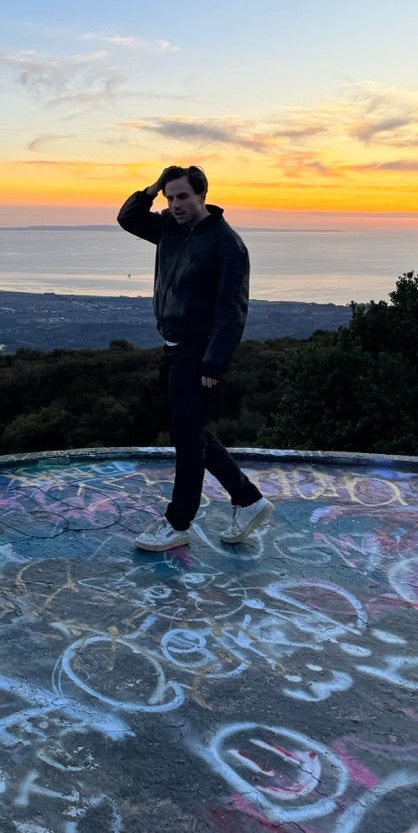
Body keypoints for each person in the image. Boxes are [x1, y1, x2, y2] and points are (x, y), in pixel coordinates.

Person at [117, 164, 273, 551]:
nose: (175, 204)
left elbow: (232, 309)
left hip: (198, 350)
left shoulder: (225, 244)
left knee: (187, 439)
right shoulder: (170, 227)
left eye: (182, 196)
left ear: (202, 195)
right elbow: (128, 217)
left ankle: (178, 522)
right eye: (169, 198)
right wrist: (153, 188)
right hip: (173, 346)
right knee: (193, 431)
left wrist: (214, 362)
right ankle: (248, 500)